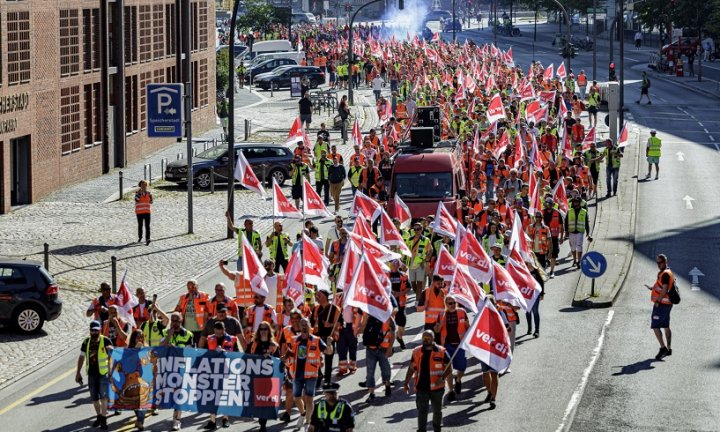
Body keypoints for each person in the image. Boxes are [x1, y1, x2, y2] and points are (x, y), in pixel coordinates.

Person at [285, 318, 334, 430]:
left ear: (309, 326)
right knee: (296, 397)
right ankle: (302, 414)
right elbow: (288, 354)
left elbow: (328, 352)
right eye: (302, 324)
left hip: (311, 375)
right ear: (299, 327)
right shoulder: (293, 340)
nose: (304, 326)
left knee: (309, 399)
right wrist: (283, 360)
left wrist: (329, 344)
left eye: (306, 324)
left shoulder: (316, 340)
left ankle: (307, 422)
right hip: (297, 374)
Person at [403, 330, 451, 432]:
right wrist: (406, 382)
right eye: (424, 338)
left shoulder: (442, 351)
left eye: (428, 337)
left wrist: (442, 379)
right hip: (421, 387)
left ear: (433, 339)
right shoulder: (416, 352)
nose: (426, 339)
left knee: (437, 411)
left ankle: (437, 429)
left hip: (437, 389)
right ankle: (421, 430)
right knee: (422, 411)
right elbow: (411, 368)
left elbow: (449, 369)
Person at [76, 320, 113, 430]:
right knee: (94, 398)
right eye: (93, 331)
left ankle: (104, 418)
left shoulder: (106, 341)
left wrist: (111, 372)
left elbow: (112, 356)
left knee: (103, 397)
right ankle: (99, 416)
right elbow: (82, 357)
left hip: (103, 374)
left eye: (96, 330)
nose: (95, 332)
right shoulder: (86, 342)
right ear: (90, 331)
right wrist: (78, 372)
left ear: (100, 330)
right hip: (91, 374)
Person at [204, 322, 240, 429]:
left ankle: (225, 419)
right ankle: (212, 420)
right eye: (216, 332)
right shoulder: (209, 339)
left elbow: (237, 354)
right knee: (212, 396)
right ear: (214, 331)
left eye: (220, 332)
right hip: (213, 371)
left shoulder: (232, 339)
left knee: (225, 396)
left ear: (224, 329)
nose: (218, 334)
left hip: (226, 371)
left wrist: (226, 353)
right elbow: (204, 353)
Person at [433, 294, 469, 402]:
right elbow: (437, 330)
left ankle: (458, 379)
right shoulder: (441, 314)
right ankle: (451, 391)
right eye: (450, 303)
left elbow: (468, 326)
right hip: (447, 345)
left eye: (454, 303)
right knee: (448, 368)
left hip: (460, 345)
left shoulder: (462, 312)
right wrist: (437, 327)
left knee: (462, 368)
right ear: (445, 304)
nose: (453, 305)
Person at [248, 322, 280, 432]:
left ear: (269, 330)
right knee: (257, 400)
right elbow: (247, 357)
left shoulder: (273, 345)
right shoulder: (253, 343)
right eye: (261, 329)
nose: (263, 331)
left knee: (265, 400)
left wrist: (270, 357)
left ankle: (263, 424)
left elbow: (278, 361)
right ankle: (260, 419)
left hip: (269, 378)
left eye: (265, 329)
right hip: (256, 376)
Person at [359, 313, 395, 402]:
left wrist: (390, 348)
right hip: (371, 349)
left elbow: (393, 332)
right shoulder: (369, 317)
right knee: (370, 371)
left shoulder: (388, 318)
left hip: (383, 349)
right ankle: (371, 393)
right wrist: (365, 321)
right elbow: (362, 331)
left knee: (385, 369)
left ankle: (387, 386)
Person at [311, 288, 342, 388]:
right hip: (318, 337)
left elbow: (341, 323)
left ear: (325, 296)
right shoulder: (316, 309)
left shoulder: (335, 308)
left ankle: (327, 381)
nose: (317, 297)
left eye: (319, 295)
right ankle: (319, 374)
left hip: (329, 338)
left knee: (329, 359)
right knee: (315, 358)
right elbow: (312, 322)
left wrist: (331, 324)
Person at [646, 254, 674, 360]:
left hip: (662, 304)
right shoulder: (667, 271)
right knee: (666, 325)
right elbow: (661, 286)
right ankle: (669, 348)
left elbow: (665, 289)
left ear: (665, 261)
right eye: (657, 262)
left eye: (660, 262)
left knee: (655, 325)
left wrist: (658, 300)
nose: (658, 264)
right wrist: (652, 288)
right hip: (667, 304)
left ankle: (663, 348)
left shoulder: (665, 274)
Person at [173, 279, 209, 346]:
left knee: (200, 350)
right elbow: (176, 311)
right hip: (187, 330)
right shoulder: (183, 297)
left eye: (193, 287)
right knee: (189, 351)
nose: (191, 290)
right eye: (189, 288)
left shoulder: (204, 296)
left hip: (200, 330)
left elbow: (210, 311)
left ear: (197, 286)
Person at [127, 329, 148, 430]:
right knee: (134, 402)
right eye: (138, 337)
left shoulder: (147, 348)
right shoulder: (129, 350)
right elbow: (128, 363)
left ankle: (140, 421)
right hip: (134, 380)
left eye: (142, 337)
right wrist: (136, 350)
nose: (140, 339)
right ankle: (139, 420)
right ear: (133, 339)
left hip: (145, 380)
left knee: (144, 402)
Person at [417, 275, 447, 344]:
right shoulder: (426, 292)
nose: (440, 285)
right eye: (438, 283)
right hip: (429, 324)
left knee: (441, 345)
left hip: (442, 324)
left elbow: (450, 307)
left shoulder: (445, 292)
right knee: (428, 345)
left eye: (441, 283)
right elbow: (418, 309)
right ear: (433, 282)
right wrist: (424, 306)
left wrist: (444, 298)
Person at [565, 197, 592, 268]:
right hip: (571, 232)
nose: (575, 203)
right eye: (574, 202)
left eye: (576, 202)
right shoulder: (569, 211)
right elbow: (566, 222)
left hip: (580, 232)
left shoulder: (584, 211)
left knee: (579, 247)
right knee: (573, 247)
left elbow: (586, 223)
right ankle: (574, 259)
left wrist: (588, 233)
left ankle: (579, 261)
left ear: (579, 203)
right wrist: (566, 231)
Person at [134, 180, 153, 245]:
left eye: (145, 185)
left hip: (147, 212)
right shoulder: (137, 193)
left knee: (147, 226)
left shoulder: (149, 193)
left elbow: (151, 201)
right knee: (140, 225)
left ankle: (148, 239)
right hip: (139, 212)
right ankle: (140, 236)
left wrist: (150, 199)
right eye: (142, 185)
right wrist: (140, 193)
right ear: (140, 186)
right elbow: (136, 199)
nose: (144, 186)